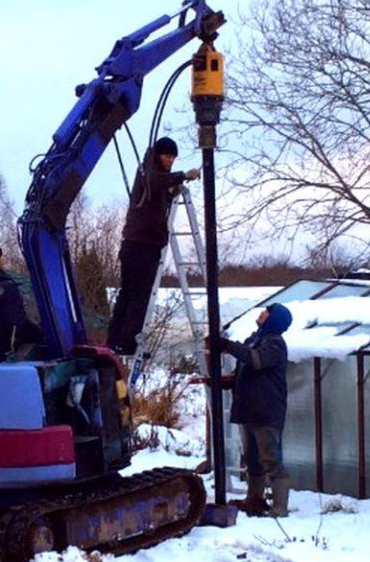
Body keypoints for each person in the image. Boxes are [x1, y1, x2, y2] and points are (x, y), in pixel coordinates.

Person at [106, 136, 200, 354]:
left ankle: (116, 340)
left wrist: (170, 192)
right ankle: (127, 341)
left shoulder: (151, 175)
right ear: (159, 154)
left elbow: (155, 196)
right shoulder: (148, 172)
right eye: (168, 156)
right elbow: (154, 182)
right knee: (138, 295)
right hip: (142, 245)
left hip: (135, 244)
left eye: (173, 158)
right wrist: (183, 176)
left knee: (128, 294)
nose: (171, 161)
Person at [217, 303, 293, 517]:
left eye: (267, 312)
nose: (262, 313)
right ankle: (254, 500)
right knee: (252, 460)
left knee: (271, 459)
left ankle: (280, 507)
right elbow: (246, 368)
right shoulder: (256, 339)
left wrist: (228, 346)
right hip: (250, 410)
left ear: (273, 320)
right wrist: (228, 381)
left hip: (266, 411)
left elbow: (255, 360)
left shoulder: (274, 343)